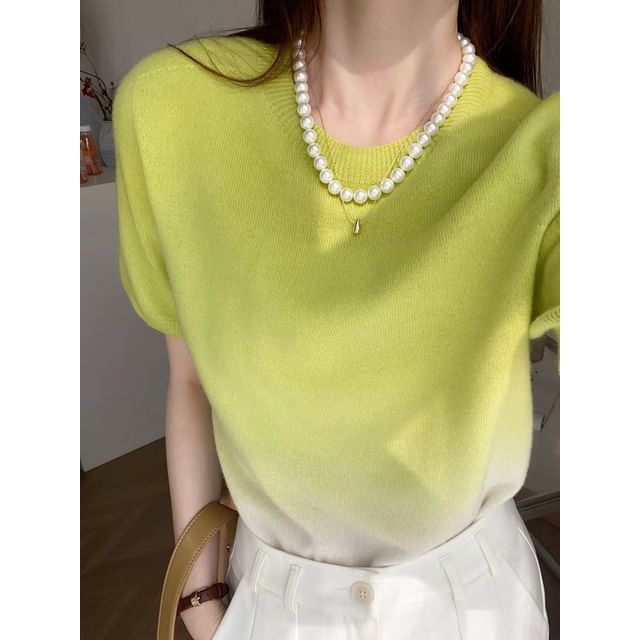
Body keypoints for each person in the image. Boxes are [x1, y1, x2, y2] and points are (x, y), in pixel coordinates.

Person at [113, 0, 559, 638]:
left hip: (476, 606)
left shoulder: (549, 151)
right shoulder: (172, 107)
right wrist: (201, 601)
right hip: (265, 605)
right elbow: (190, 380)